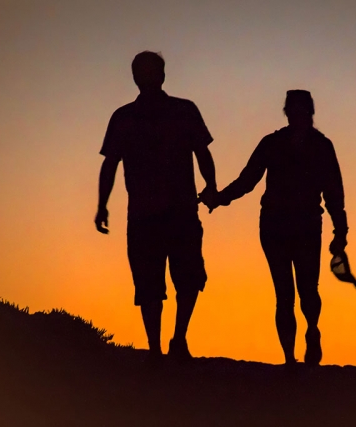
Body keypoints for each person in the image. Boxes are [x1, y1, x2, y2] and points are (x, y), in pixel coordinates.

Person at [201, 90, 348, 366]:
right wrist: (220, 198)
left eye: (301, 110)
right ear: (289, 112)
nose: (298, 115)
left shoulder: (319, 146)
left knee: (306, 290)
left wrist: (341, 231)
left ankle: (311, 331)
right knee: (285, 294)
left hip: (302, 226)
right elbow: (247, 180)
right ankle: (290, 357)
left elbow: (334, 193)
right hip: (276, 226)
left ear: (307, 113)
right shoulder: (277, 143)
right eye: (294, 110)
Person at [95, 51, 217, 363]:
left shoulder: (180, 111)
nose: (148, 78)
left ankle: (174, 340)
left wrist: (211, 185)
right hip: (150, 214)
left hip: (174, 213)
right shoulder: (127, 117)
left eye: (151, 72)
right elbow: (110, 164)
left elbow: (202, 152)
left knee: (185, 278)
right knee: (151, 282)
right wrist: (102, 204)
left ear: (160, 76)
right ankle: (158, 345)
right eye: (144, 72)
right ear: (138, 77)